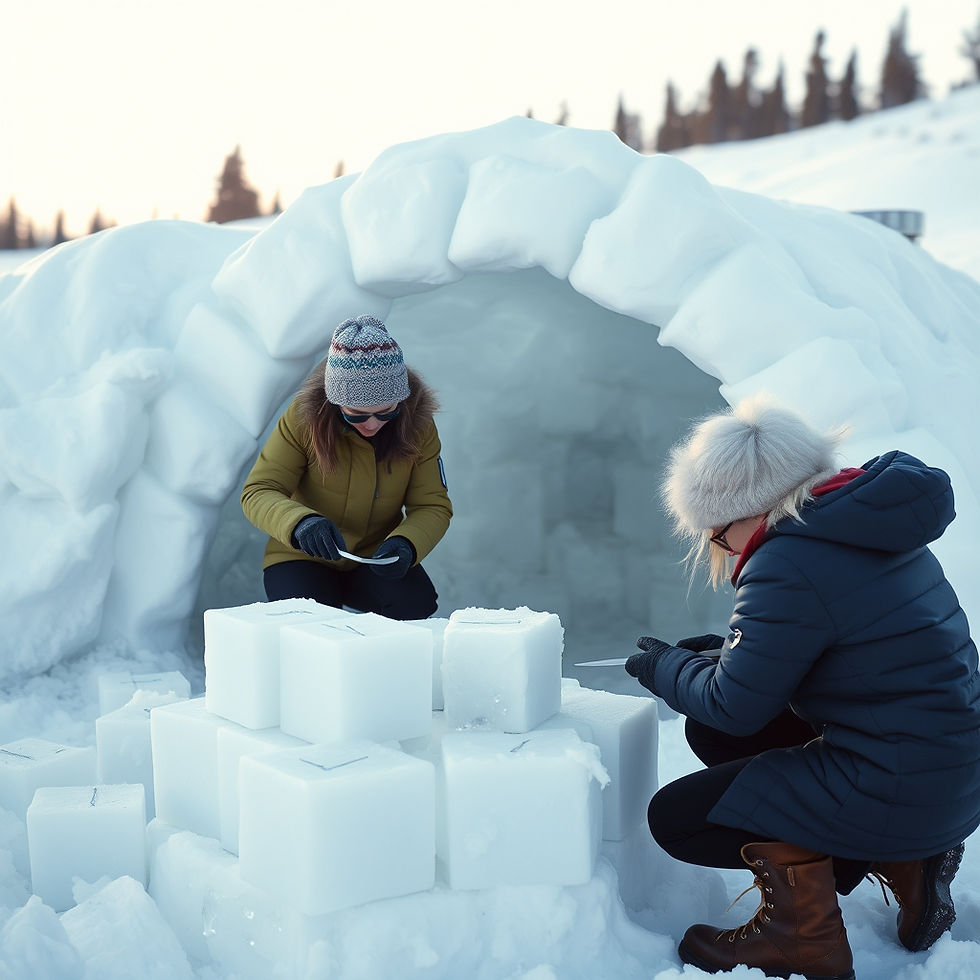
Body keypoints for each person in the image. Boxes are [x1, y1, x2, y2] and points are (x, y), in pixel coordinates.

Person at [624, 395, 980, 980]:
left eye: (717, 534)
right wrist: (723, 652)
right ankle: (908, 859)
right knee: (709, 729)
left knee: (678, 818)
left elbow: (732, 706)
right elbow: (852, 644)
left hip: (901, 784)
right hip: (946, 773)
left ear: (745, 510)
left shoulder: (787, 559)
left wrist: (665, 671)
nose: (723, 549)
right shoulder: (864, 522)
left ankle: (801, 934)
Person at [241, 315, 452, 621]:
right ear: (334, 401)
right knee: (308, 621)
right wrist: (301, 524)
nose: (372, 424)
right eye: (356, 414)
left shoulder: (418, 426)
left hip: (373, 558)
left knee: (415, 601)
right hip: (302, 556)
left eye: (385, 412)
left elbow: (432, 504)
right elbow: (258, 491)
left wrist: (406, 544)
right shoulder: (303, 419)